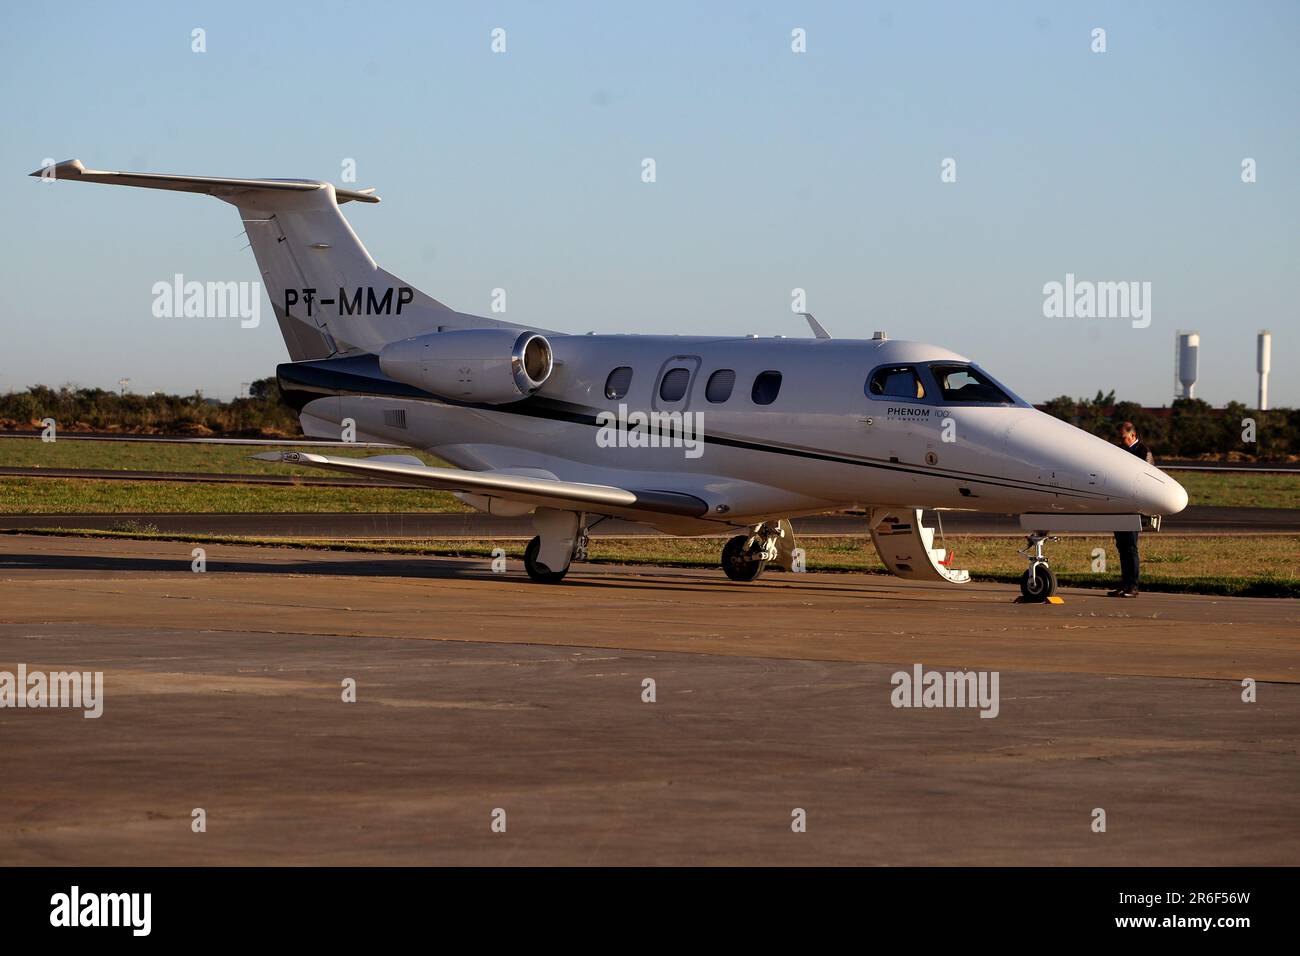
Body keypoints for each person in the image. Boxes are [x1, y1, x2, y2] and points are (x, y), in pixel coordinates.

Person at [1110, 422, 1154, 598]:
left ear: (1133, 436)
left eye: (1123, 438)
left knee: (1130, 547)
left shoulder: (1144, 452)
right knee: (1122, 546)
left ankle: (1133, 586)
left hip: (1133, 507)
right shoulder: (1119, 450)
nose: (1120, 442)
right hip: (1120, 506)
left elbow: (1144, 478)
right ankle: (1125, 584)